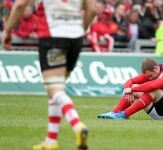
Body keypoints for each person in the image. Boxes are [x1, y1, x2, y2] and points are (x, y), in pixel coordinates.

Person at [1, 0, 96, 150]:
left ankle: (77, 125)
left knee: (55, 89)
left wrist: (7, 31)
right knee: (58, 90)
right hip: (75, 38)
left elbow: (20, 5)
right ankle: (51, 141)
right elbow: (92, 10)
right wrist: (79, 31)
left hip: (52, 36)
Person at [98, 58, 163, 120]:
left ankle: (124, 115)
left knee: (154, 90)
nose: (150, 78)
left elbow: (153, 86)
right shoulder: (154, 72)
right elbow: (131, 81)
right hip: (160, 112)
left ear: (155, 69)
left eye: (150, 76)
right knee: (134, 87)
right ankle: (114, 113)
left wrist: (132, 90)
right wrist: (128, 89)